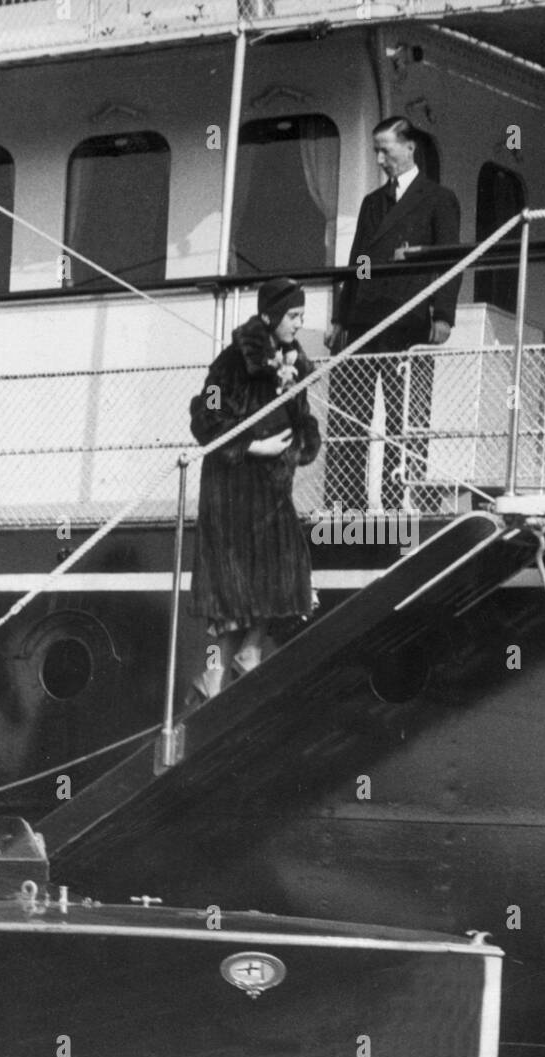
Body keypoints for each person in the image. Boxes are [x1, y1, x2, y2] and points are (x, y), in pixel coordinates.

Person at [187, 277, 321, 701]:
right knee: (233, 597)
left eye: (302, 316)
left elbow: (305, 419)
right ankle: (216, 674)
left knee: (280, 579)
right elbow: (204, 417)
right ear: (271, 315)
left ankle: (242, 658)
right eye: (294, 315)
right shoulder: (229, 364)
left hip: (271, 491)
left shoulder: (294, 363)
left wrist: (300, 444)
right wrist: (252, 445)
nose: (300, 324)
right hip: (232, 492)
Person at [325, 116, 461, 511]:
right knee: (352, 412)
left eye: (386, 149)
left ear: (409, 147)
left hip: (410, 318)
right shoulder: (373, 203)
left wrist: (444, 315)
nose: (380, 158)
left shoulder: (438, 199)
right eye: (376, 151)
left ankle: (401, 499)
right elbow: (358, 263)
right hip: (366, 318)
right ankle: (346, 503)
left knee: (408, 416)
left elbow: (451, 262)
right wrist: (340, 318)